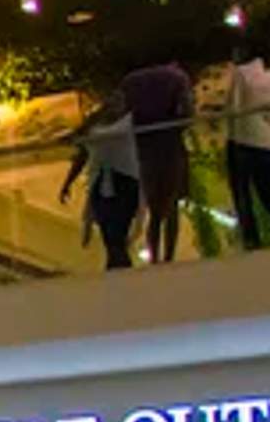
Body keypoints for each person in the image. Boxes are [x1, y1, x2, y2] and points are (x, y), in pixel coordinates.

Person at [123, 55, 195, 266]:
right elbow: (188, 113)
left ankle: (155, 258)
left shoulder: (131, 81)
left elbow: (124, 115)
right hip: (170, 145)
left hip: (145, 148)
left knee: (154, 208)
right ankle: (169, 257)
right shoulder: (177, 77)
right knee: (172, 205)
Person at [223, 47, 270, 248]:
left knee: (242, 193)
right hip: (265, 140)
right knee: (269, 194)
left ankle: (251, 239)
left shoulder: (241, 73)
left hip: (240, 138)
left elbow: (234, 108)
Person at [61, 99, 140, 271]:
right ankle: (117, 269)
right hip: (99, 183)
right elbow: (82, 154)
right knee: (108, 232)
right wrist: (67, 183)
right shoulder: (94, 125)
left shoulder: (129, 120)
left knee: (118, 231)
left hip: (125, 181)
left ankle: (120, 269)